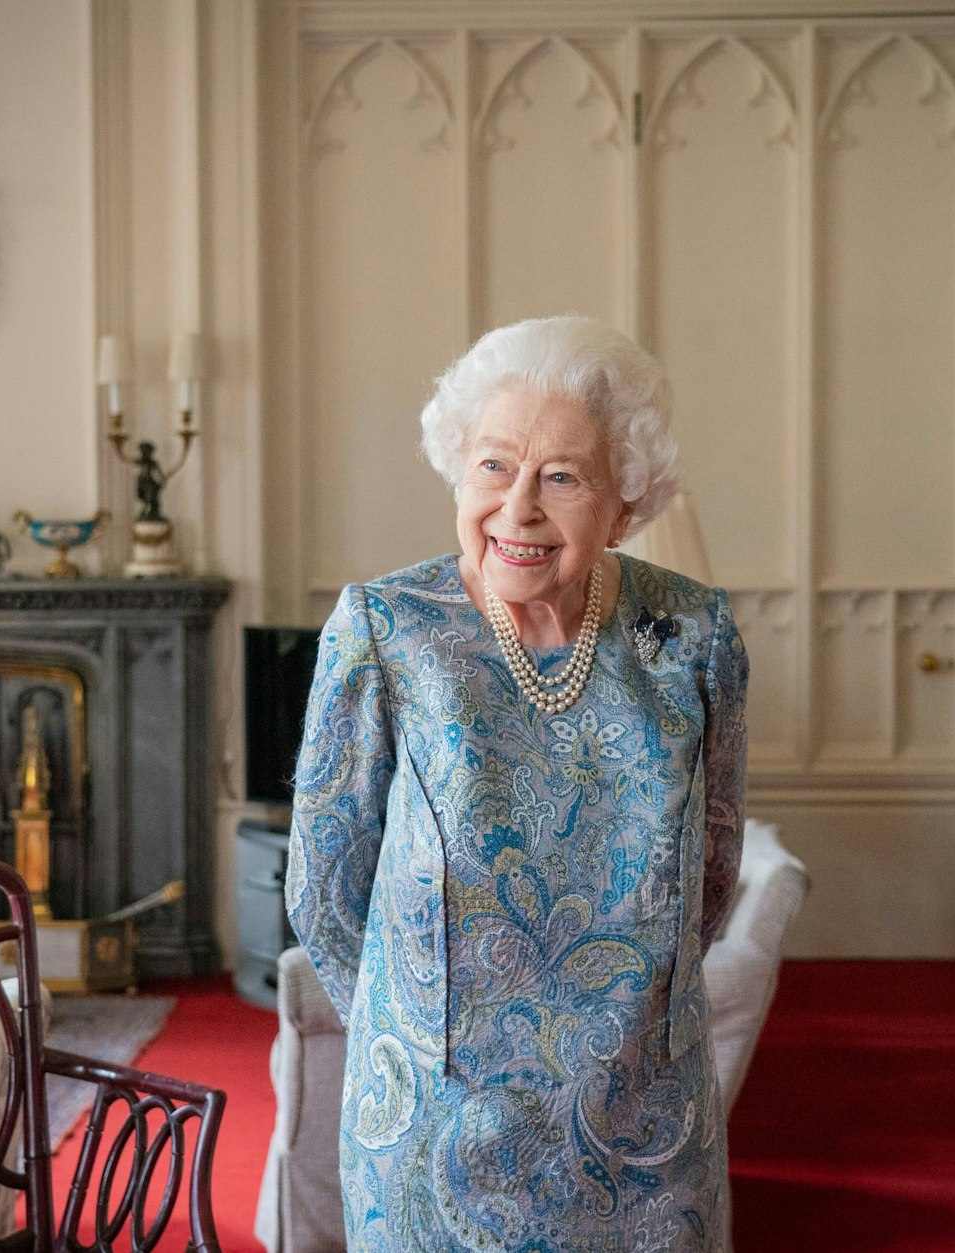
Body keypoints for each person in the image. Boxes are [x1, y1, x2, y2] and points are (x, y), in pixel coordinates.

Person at [288, 315, 748, 1250]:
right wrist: (417, 1035)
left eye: (563, 476)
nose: (519, 508)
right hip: (434, 1134)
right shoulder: (385, 630)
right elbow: (325, 889)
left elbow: (712, 870)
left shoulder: (693, 636)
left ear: (625, 502)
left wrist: (627, 1030)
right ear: (460, 471)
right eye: (494, 465)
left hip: (646, 1131)